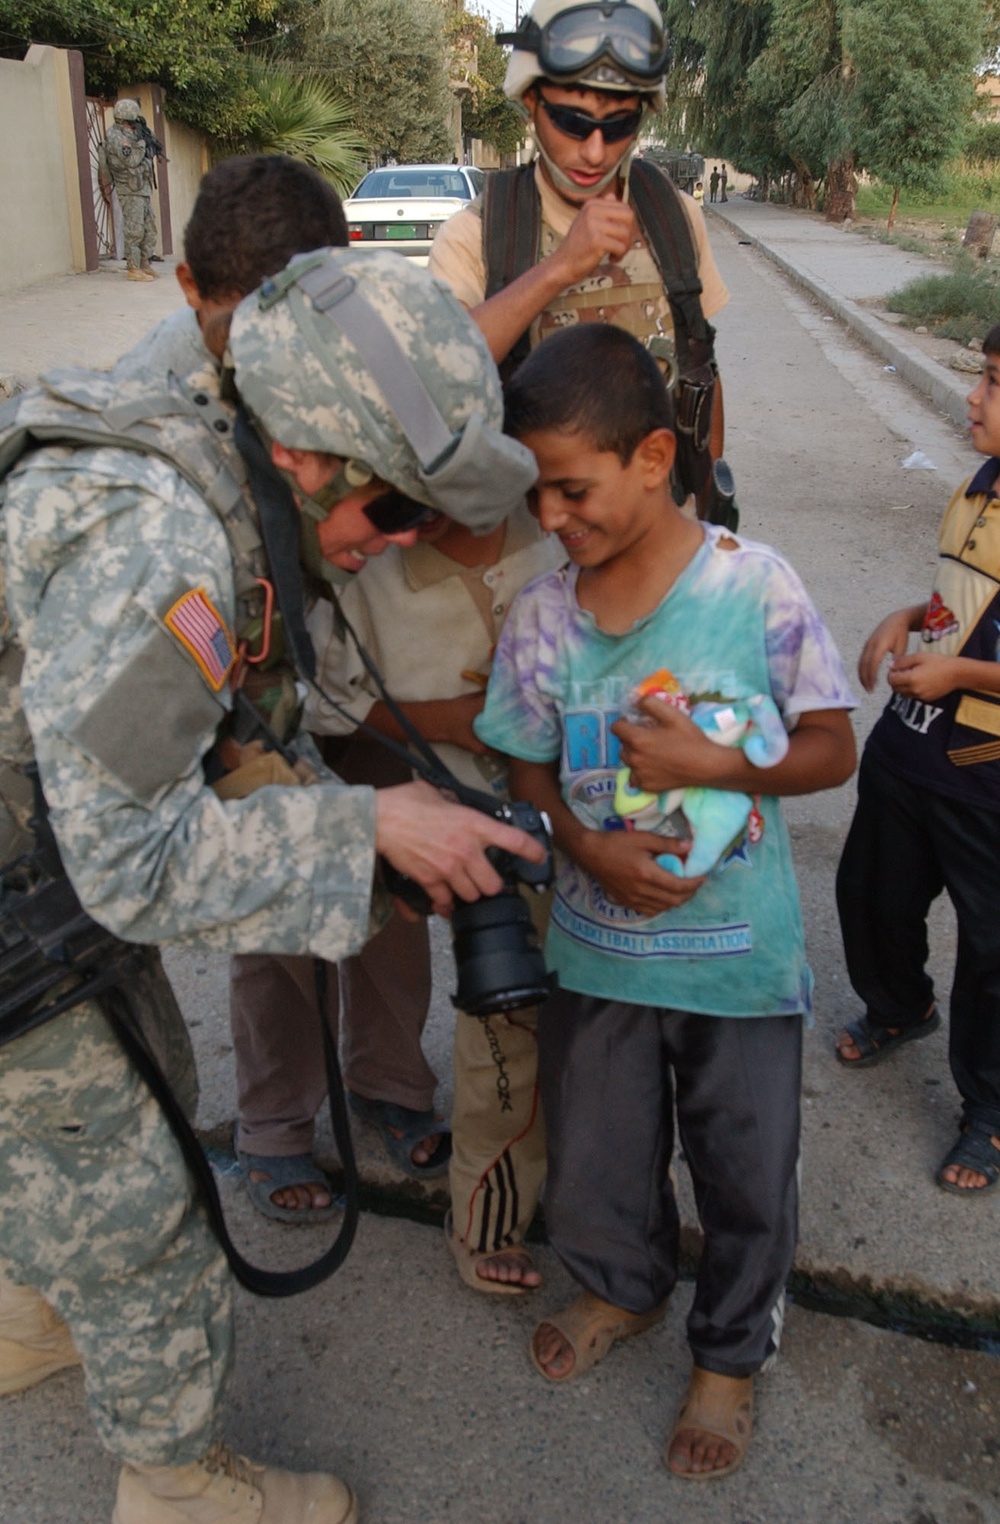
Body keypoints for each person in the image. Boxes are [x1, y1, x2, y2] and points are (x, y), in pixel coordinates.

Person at [0, 247, 542, 1524]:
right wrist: (361, 834)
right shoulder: (160, 542)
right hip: (35, 886)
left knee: (101, 1115)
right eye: (396, 513)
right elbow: (131, 862)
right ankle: (179, 1489)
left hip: (32, 864)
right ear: (307, 457)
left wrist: (371, 840)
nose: (395, 546)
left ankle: (33, 1311)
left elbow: (207, 741)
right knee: (134, 1200)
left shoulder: (213, 458)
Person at [474, 323, 856, 1479]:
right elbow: (523, 762)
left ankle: (728, 1357)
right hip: (595, 961)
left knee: (745, 1172)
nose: (551, 519)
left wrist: (720, 769)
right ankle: (622, 1289)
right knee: (597, 1157)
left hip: (738, 967)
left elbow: (832, 746)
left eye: (571, 489)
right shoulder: (544, 621)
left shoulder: (755, 588)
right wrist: (583, 846)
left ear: (651, 457)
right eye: (534, 494)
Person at [117, 152, 448, 1216]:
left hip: (359, 668)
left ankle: (389, 1082)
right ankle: (274, 1124)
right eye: (234, 320)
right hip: (227, 687)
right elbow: (146, 739)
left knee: (399, 885)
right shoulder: (149, 412)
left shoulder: (378, 349)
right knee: (274, 905)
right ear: (187, 289)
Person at [306, 501, 564, 1290]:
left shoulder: (560, 535)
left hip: (577, 814)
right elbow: (328, 704)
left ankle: (592, 1196)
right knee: (501, 1021)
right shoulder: (371, 571)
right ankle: (488, 1219)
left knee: (591, 1029)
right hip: (435, 816)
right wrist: (452, 719)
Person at [835, 329, 1000, 1196]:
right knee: (873, 889)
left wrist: (961, 675)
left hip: (985, 767)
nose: (974, 397)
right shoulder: (979, 484)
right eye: (982, 375)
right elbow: (961, 601)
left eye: (996, 383)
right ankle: (900, 1005)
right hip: (912, 738)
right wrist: (904, 617)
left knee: (993, 948)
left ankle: (991, 1113)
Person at [428, 0, 728, 467]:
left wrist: (704, 520)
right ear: (531, 100)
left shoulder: (673, 217)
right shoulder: (476, 235)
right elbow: (446, 373)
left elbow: (700, 373)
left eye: (618, 125)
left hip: (654, 528)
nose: (594, 151)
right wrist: (559, 268)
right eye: (572, 121)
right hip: (532, 531)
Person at [98, 98, 159, 282]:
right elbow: (131, 160)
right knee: (134, 229)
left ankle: (144, 262)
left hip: (141, 187)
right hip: (130, 189)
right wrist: (141, 144)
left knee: (149, 227)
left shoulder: (131, 133)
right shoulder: (116, 137)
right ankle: (133, 268)